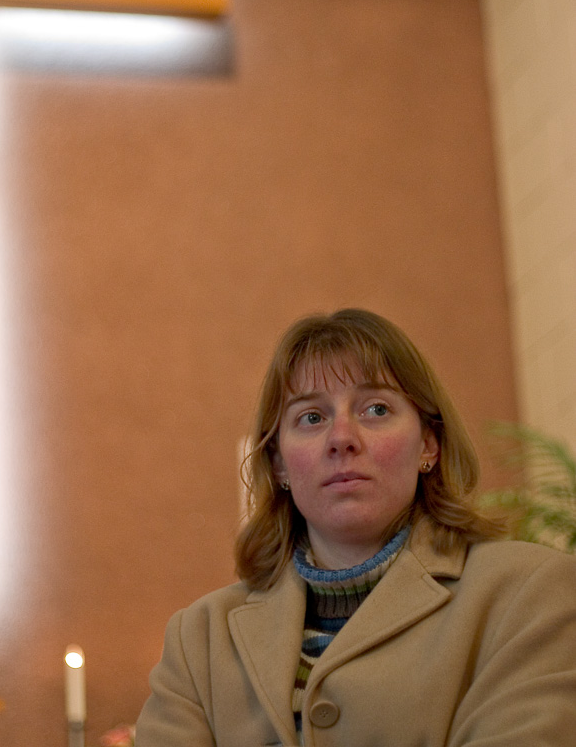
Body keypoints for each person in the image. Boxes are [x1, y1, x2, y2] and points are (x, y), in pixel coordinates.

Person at [135, 308, 576, 747]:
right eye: (311, 417)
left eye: (376, 409)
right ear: (279, 463)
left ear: (429, 444)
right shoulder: (198, 640)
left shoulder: (530, 593)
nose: (341, 437)